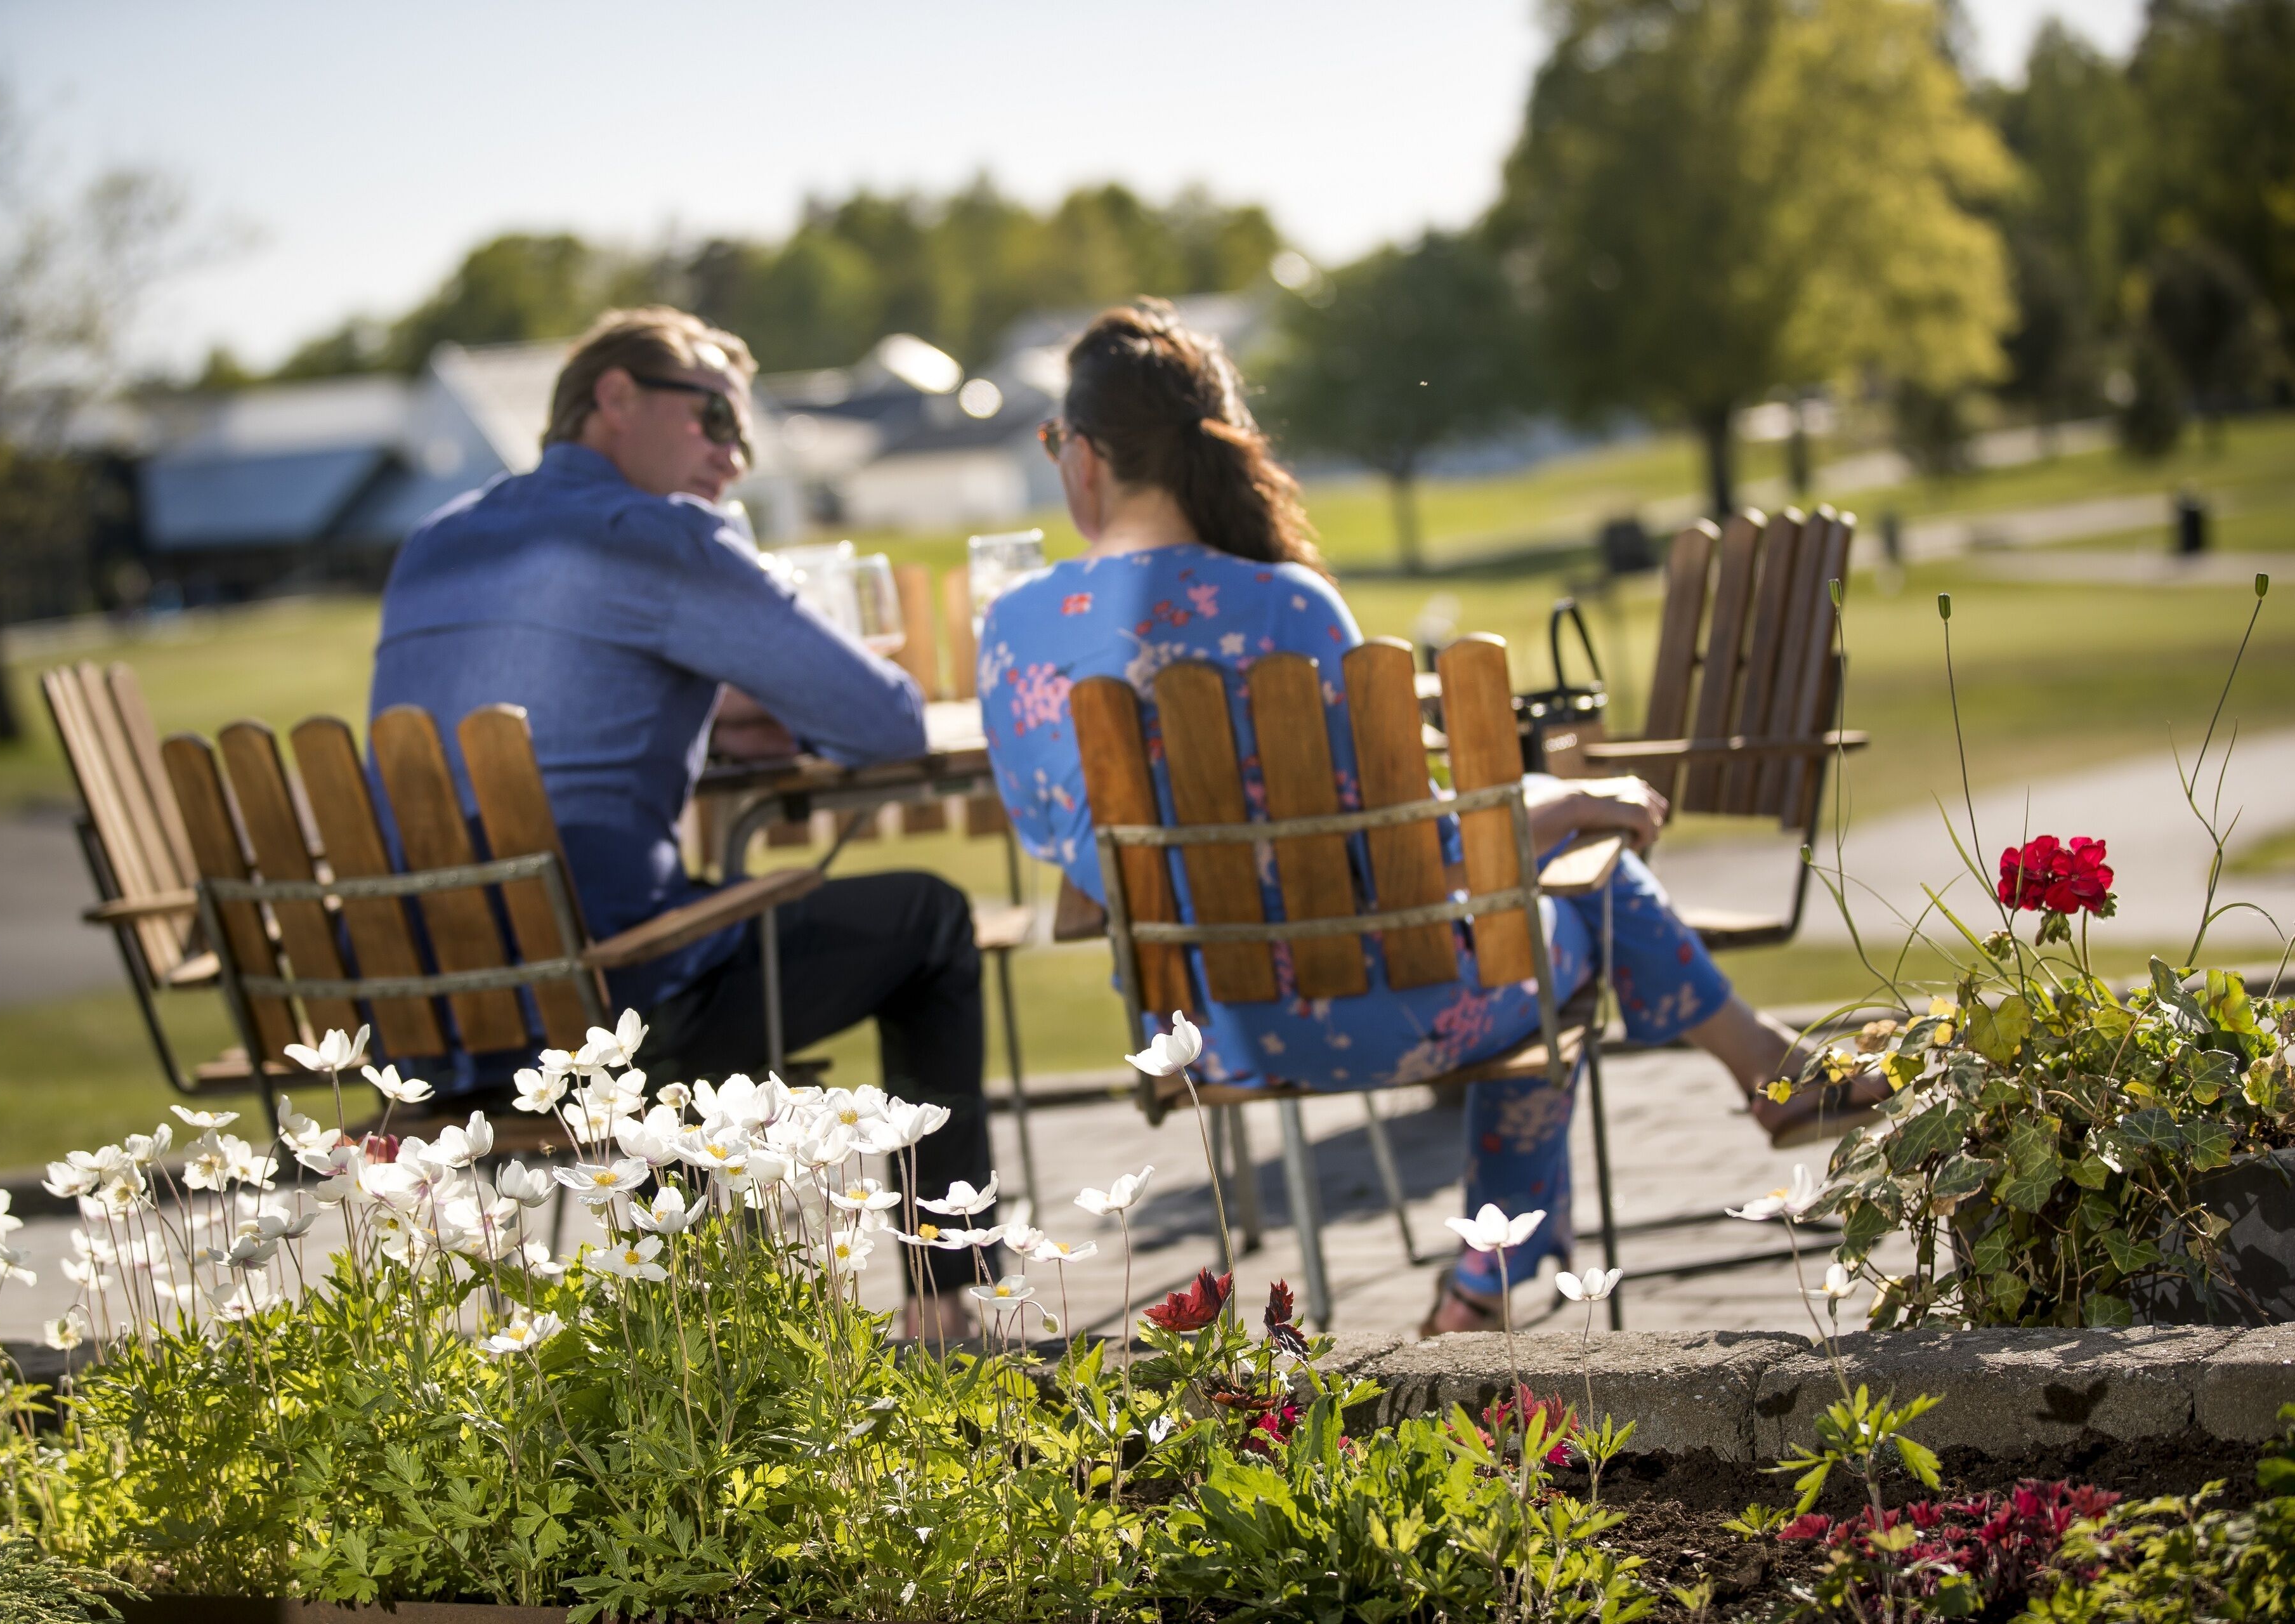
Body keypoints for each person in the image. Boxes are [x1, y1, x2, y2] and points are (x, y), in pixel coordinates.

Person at [976, 301, 1884, 1336]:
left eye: (1054, 444)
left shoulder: (1011, 630)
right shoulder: (1289, 608)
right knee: (1573, 918)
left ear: (1084, 456)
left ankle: (1558, 1232)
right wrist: (1568, 800)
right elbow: (1415, 848)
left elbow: (1061, 844)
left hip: (1198, 1038)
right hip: (1381, 1011)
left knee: (1559, 912)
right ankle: (1517, 1257)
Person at [369, 307, 994, 1329]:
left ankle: (690, 1317)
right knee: (927, 920)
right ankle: (941, 1304)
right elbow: (884, 723)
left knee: (696, 927)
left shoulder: (436, 541)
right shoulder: (657, 535)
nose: (733, 457)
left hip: (428, 1018)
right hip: (603, 1012)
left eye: (743, 435)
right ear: (615, 396)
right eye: (713, 418)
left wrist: (712, 707)